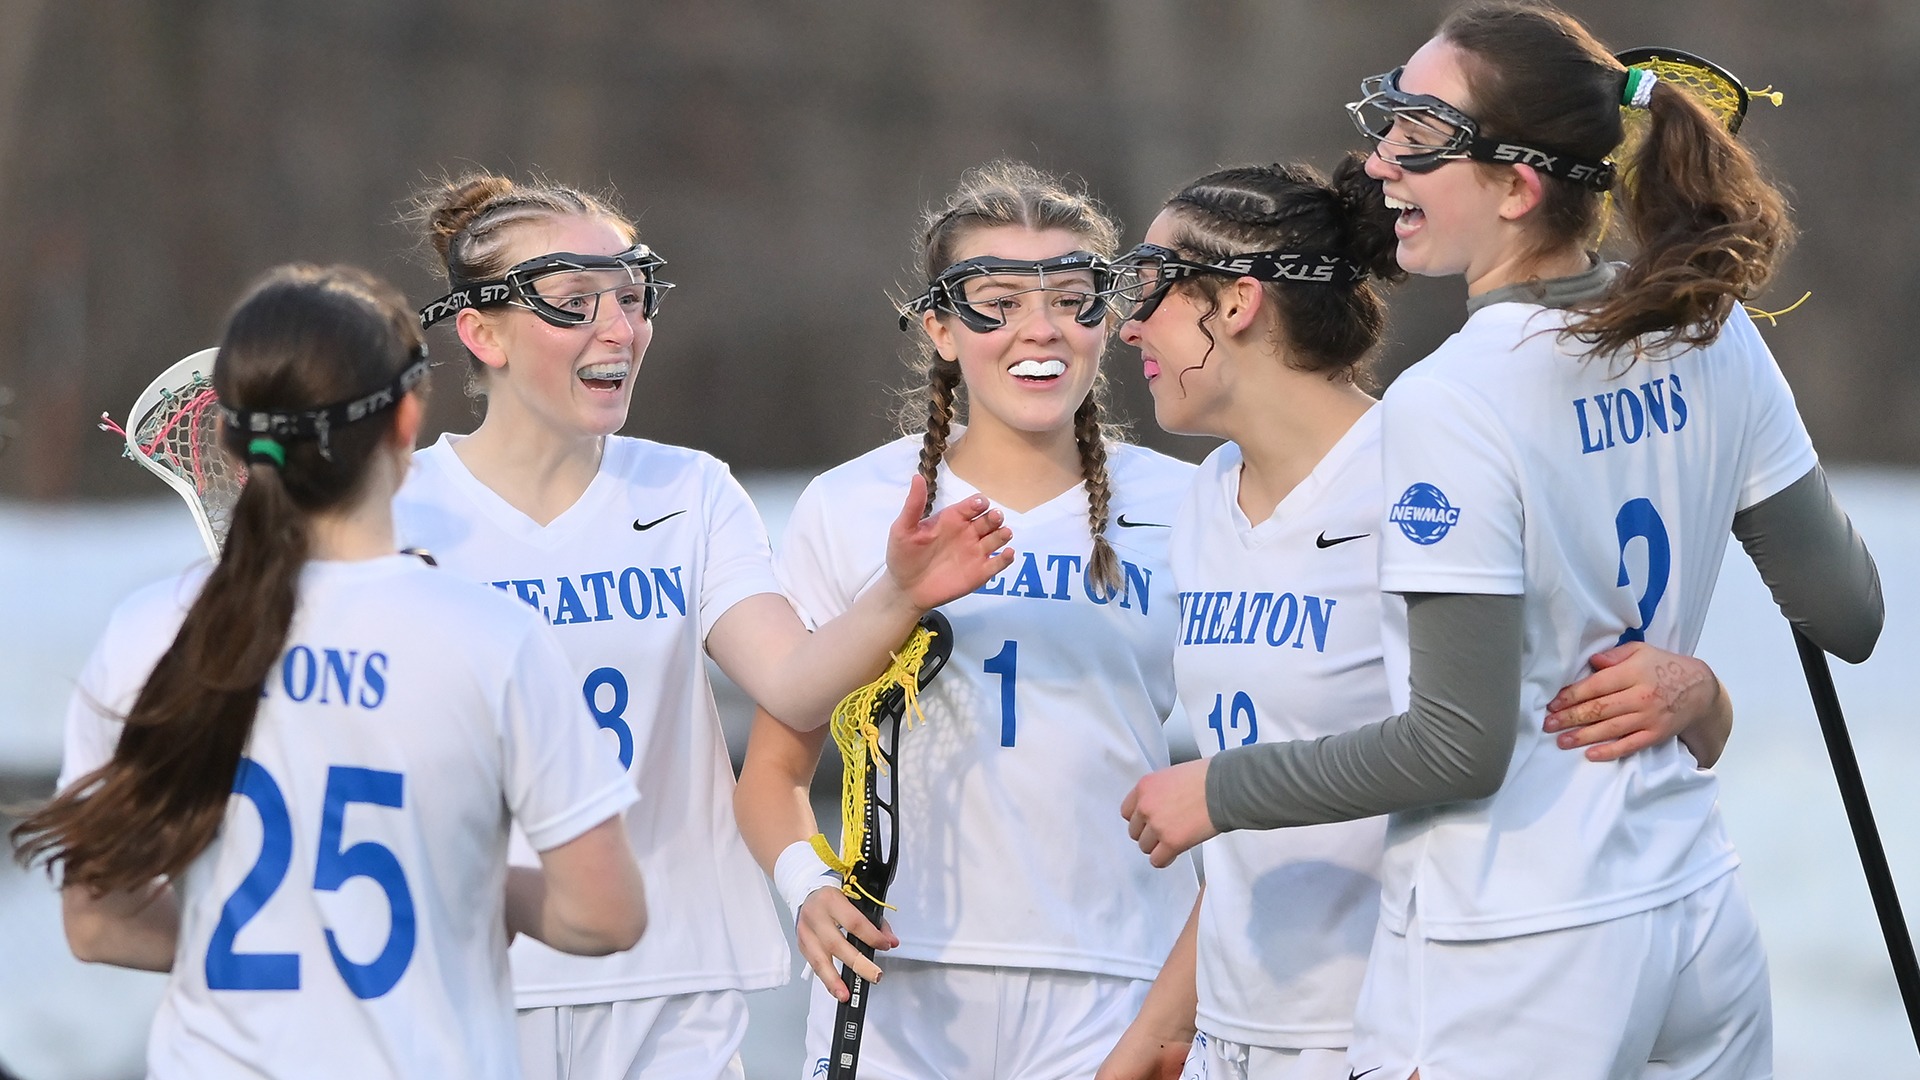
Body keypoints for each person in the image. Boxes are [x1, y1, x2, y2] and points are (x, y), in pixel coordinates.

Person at [1121, 5, 1885, 1078]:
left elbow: (1455, 747)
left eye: (1421, 136)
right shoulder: (1713, 335)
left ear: (1518, 189)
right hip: (1694, 918)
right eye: (1388, 114)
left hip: (1518, 955)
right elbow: (1847, 613)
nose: (1381, 160)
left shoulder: (1456, 398)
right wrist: (1695, 686)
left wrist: (1217, 789)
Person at [1098, 159, 1739, 1080]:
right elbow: (1256, 818)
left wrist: (1703, 694)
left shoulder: (1422, 473)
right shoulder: (1204, 501)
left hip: (1395, 1038)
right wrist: (1166, 1033)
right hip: (1231, 1044)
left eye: (1148, 287)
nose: (1126, 325)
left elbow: (1557, 748)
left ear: (1237, 303)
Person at [397, 174, 1012, 1080]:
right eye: (575, 304)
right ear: (482, 332)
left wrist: (897, 593)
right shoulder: (394, 512)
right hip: (462, 980)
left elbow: (794, 682)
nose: (621, 330)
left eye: (633, 298)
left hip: (668, 983)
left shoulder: (687, 493)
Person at [10, 264, 648, 1078]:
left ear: (234, 438)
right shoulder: (491, 641)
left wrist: (277, 954)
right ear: (406, 419)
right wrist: (492, 899)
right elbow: (606, 915)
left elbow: (99, 925)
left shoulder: (147, 633)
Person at [731, 160, 1201, 1079]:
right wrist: (806, 889)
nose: (1041, 329)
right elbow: (773, 770)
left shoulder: (1196, 504)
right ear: (941, 328)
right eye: (998, 300)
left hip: (1118, 977)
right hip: (900, 981)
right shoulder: (854, 503)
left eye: (1072, 297)